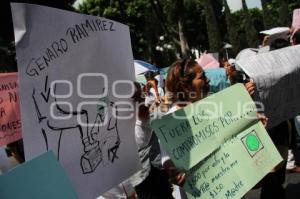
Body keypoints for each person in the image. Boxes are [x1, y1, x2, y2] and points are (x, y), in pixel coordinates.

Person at [130, 82, 174, 199]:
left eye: (140, 95)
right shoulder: (121, 117)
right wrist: (141, 120)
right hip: (140, 176)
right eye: (135, 96)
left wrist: (164, 100)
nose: (139, 99)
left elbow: (161, 114)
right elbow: (141, 141)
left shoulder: (147, 105)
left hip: (158, 166)